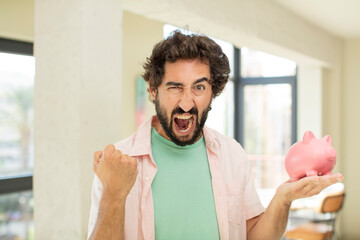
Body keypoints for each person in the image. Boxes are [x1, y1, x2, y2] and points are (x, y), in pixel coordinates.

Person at [87, 31, 343, 240]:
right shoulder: (117, 164)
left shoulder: (232, 154)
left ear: (213, 92)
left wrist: (283, 198)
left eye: (199, 87)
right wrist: (114, 194)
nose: (187, 103)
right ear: (154, 90)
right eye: (175, 87)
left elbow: (254, 235)